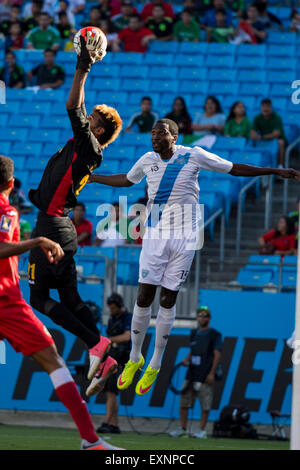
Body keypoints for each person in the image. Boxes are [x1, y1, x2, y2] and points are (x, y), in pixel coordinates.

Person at [89, 118, 300, 395]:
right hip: (155, 235)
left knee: (168, 297)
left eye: (161, 132)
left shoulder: (193, 155)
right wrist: (93, 177)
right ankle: (135, 357)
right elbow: (127, 181)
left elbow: (233, 168)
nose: (154, 137)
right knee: (143, 296)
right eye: (152, 133)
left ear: (174, 137)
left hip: (185, 237)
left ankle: (155, 362)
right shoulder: (147, 159)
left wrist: (274, 170)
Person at [0, 155, 120, 451]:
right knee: (53, 358)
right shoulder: (7, 211)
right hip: (5, 301)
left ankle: (97, 345)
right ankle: (91, 441)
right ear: (11, 184)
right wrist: (38, 241)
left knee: (54, 298)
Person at [27, 32, 122, 397]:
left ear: (98, 129)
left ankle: (96, 345)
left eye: (93, 116)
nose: (88, 113)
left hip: (52, 227)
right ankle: (103, 350)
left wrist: (82, 67)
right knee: (69, 301)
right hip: (59, 226)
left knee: (39, 300)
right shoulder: (82, 146)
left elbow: (72, 106)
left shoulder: (90, 147)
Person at [169, 306, 222, 439]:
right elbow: (193, 349)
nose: (202, 318)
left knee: (205, 403)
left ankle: (202, 431)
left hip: (205, 374)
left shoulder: (214, 334)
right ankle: (183, 429)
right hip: (192, 373)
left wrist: (211, 373)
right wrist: (186, 360)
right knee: (184, 401)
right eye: (200, 315)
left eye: (205, 316)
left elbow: (217, 354)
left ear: (209, 318)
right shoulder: (193, 332)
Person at [97, 293, 132, 434]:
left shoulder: (128, 317)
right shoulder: (112, 318)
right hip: (112, 356)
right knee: (110, 392)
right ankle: (114, 425)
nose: (110, 310)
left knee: (111, 391)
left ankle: (107, 421)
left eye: (112, 307)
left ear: (119, 306)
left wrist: (109, 340)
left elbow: (127, 336)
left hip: (122, 358)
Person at [251, 98, 286, 168]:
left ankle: (280, 165)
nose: (266, 109)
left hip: (277, 139)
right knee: (251, 142)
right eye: (263, 106)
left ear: (271, 107)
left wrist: (261, 137)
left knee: (280, 142)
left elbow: (276, 134)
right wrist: (254, 135)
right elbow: (252, 133)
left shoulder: (277, 117)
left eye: (268, 106)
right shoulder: (257, 118)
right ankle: (256, 164)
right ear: (260, 107)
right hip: (264, 139)